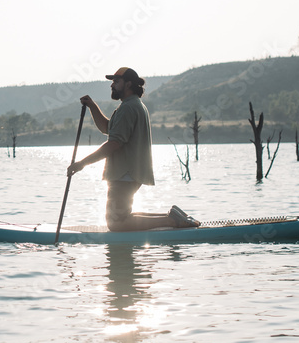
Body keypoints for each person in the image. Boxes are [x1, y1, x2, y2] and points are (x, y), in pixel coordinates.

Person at [67, 67, 200, 231]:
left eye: (116, 81)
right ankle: (172, 216)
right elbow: (108, 128)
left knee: (117, 224)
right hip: (129, 172)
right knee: (122, 217)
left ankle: (172, 221)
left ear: (128, 84)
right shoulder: (132, 105)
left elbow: (114, 143)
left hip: (124, 173)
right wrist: (92, 106)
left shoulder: (128, 108)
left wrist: (82, 163)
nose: (112, 85)